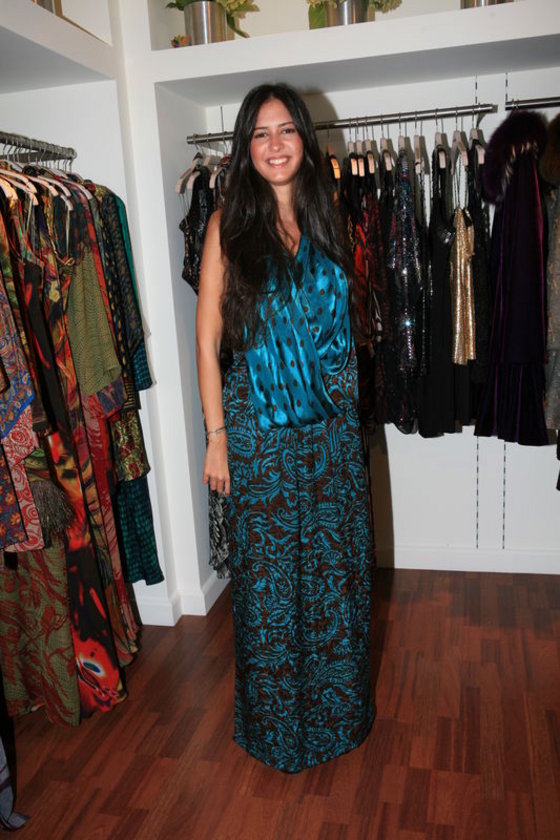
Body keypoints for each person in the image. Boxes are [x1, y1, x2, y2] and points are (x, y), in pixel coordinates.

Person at [196, 83, 374, 773]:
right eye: (260, 133)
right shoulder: (227, 226)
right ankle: (276, 733)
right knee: (267, 589)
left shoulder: (330, 215)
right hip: (259, 433)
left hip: (330, 432)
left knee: (334, 577)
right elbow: (207, 337)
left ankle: (337, 720)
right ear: (246, 148)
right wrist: (216, 437)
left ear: (305, 138)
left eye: (286, 130)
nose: (275, 145)